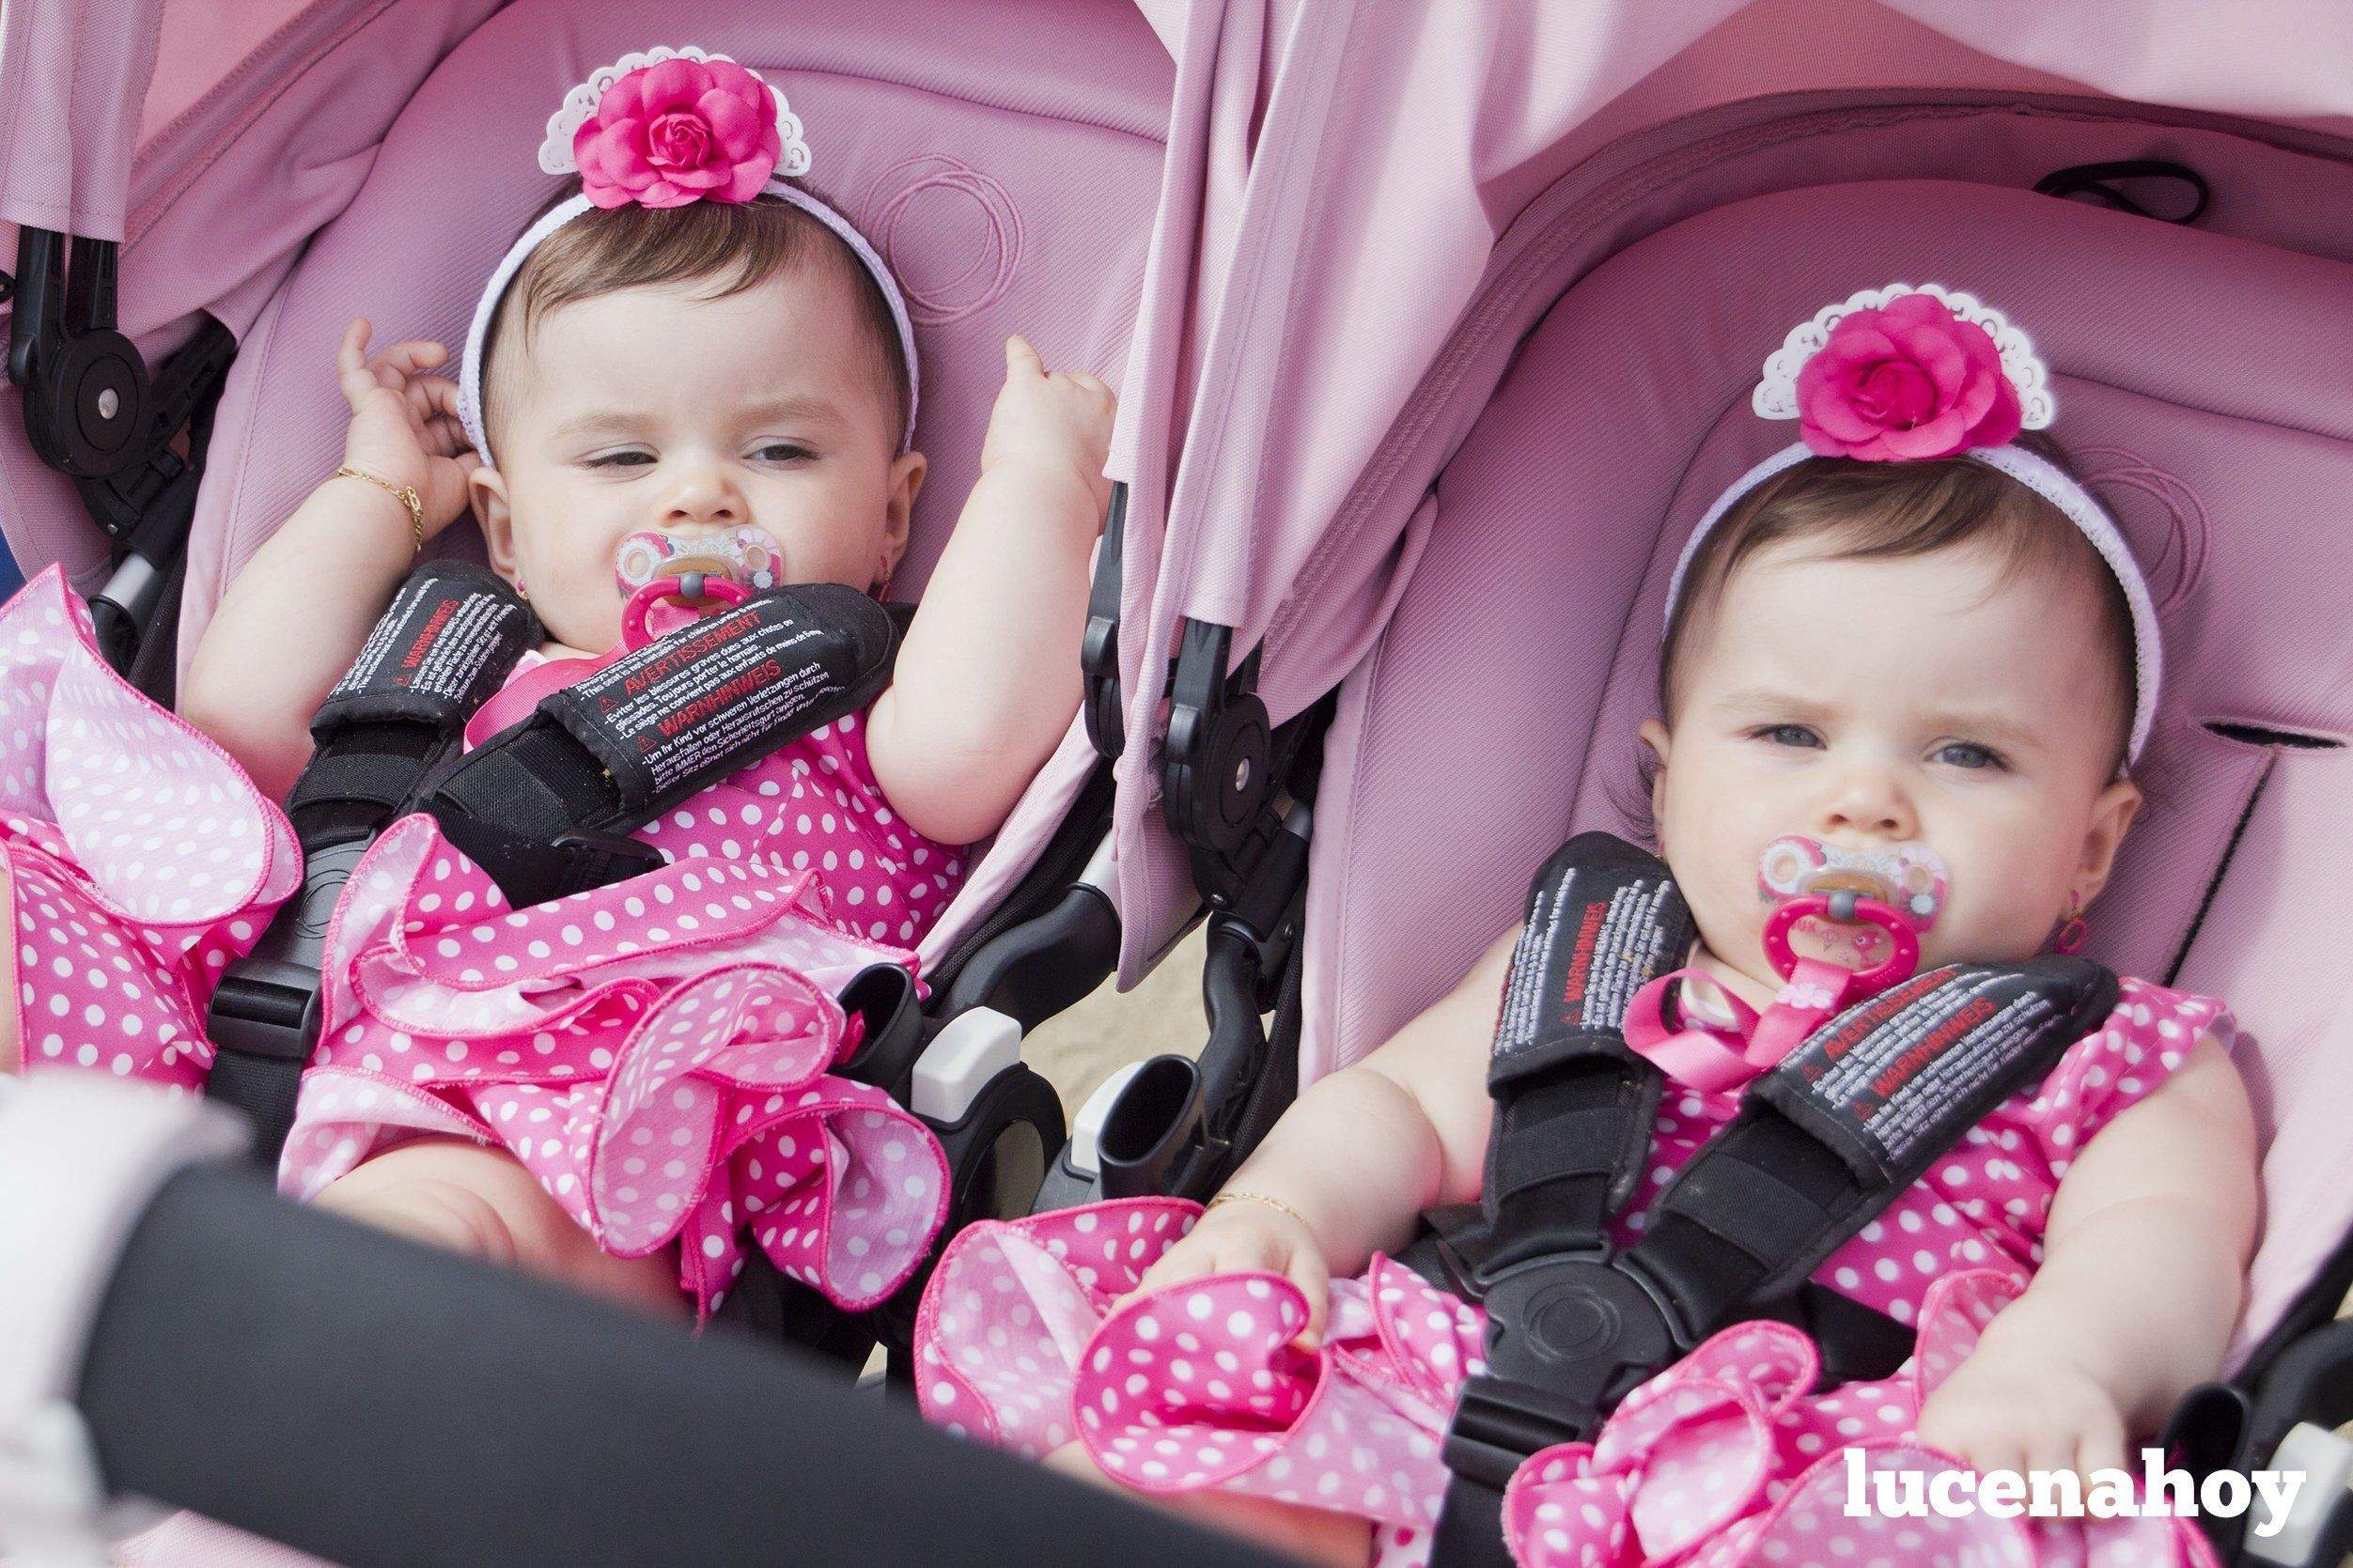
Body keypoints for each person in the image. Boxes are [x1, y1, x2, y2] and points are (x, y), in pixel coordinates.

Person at [915, 285, 2255, 1566]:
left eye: (1967, 755)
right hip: (1459, 1386)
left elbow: (2161, 1246)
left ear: (2092, 840)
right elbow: (1403, 1108)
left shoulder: (2116, 1055)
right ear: (1669, 785)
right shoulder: (1600, 959)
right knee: (1181, 1470)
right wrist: (1278, 1207)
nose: (1867, 803)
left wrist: (2062, 1364)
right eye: (1789, 734)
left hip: (1834, 1464)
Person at [2, 46, 1114, 1322]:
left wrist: (1039, 483)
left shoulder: (867, 707)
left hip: (594, 1074)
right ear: (509, 527)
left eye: (782, 447)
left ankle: (264, 1369)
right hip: (276, 992)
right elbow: (234, 725)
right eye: (624, 454)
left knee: (441, 1225)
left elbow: (975, 744)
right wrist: (379, 497)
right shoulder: (458, 654)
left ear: (893, 519)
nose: (698, 492)